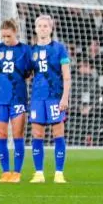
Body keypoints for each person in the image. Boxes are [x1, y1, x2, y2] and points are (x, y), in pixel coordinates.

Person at [28, 15, 71, 184]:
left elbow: (67, 76)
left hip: (55, 97)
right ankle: (39, 173)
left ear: (51, 29)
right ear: (36, 28)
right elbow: (28, 75)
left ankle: (59, 173)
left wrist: (64, 98)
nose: (43, 28)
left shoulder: (59, 48)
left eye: (46, 26)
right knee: (37, 134)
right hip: (38, 98)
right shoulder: (31, 51)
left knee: (58, 134)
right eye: (40, 26)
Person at [0, 19, 32, 183]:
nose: (6, 39)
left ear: (16, 33)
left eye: (8, 35)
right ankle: (5, 171)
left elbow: (28, 72)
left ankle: (17, 172)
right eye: (3, 36)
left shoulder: (24, 50)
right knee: (1, 135)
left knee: (17, 135)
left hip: (18, 97)